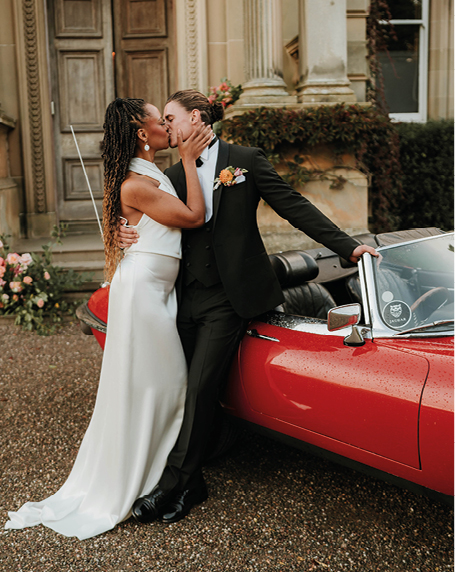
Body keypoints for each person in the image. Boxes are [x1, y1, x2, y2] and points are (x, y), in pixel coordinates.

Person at [125, 89, 379, 525]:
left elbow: (293, 205)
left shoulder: (244, 160)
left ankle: (172, 484)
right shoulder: (170, 174)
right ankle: (193, 482)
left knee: (200, 388)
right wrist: (125, 231)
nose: (166, 126)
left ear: (197, 118)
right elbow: (150, 221)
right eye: (162, 120)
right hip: (185, 295)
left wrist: (348, 246)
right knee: (184, 387)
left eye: (171, 118)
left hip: (230, 296)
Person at [4, 98, 211, 539]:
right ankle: (143, 475)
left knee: (158, 385)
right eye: (159, 120)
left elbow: (156, 220)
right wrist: (190, 159)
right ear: (142, 133)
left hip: (160, 290)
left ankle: (158, 470)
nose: (166, 125)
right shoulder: (135, 183)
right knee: (163, 384)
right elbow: (194, 216)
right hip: (142, 293)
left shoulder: (151, 173)